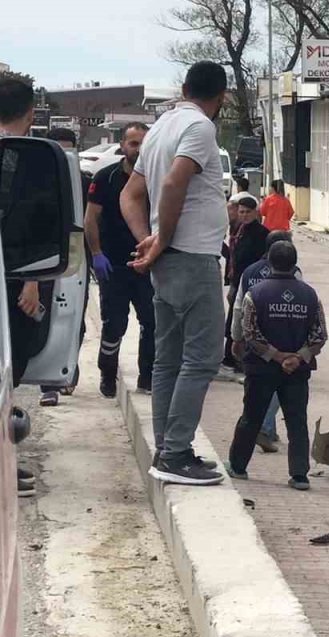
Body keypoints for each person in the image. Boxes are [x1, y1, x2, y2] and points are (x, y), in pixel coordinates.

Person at [120, 60, 229, 486]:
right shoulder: (200, 128)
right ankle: (177, 453)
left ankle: (166, 446)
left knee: (167, 360)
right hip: (193, 257)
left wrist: (147, 239)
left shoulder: (162, 125)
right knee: (203, 359)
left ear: (184, 87)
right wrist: (161, 238)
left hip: (167, 262)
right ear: (220, 98)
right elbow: (171, 185)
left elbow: (130, 195)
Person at [226, 240, 327, 491]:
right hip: (298, 371)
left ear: (269, 262)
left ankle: (238, 467)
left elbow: (249, 333)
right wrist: (297, 357)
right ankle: (300, 475)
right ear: (294, 264)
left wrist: (276, 356)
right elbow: (320, 335)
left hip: (261, 370)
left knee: (251, 417)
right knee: (297, 421)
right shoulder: (310, 295)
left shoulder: (255, 293)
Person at [86, 122, 153, 399]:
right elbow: (91, 219)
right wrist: (97, 254)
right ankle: (107, 372)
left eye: (143, 143)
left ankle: (147, 377)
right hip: (113, 263)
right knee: (115, 324)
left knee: (153, 323)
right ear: (122, 145)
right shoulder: (105, 178)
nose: (138, 149)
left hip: (147, 263)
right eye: (133, 143)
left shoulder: (157, 177)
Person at [0, 75, 41, 498]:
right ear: (30, 113)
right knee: (10, 369)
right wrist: (33, 278)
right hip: (11, 279)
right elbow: (31, 224)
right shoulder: (25, 157)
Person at [232, 230, 300, 453]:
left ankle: (256, 431)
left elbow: (238, 307)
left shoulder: (249, 272)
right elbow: (301, 305)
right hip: (283, 341)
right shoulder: (296, 275)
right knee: (279, 388)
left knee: (255, 387)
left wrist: (236, 337)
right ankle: (266, 428)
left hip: (254, 341)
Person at [34, 128, 87, 407]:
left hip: (76, 262)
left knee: (72, 316)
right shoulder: (35, 182)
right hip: (42, 260)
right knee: (44, 316)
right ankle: (49, 384)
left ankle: (66, 370)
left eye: (68, 150)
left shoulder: (83, 182)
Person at [221, 196, 269, 372]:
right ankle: (229, 357)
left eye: (248, 212)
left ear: (255, 213)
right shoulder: (238, 230)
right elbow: (233, 256)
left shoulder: (262, 233)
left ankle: (240, 359)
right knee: (233, 319)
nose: (244, 215)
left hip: (251, 284)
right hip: (236, 281)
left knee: (246, 320)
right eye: (241, 212)